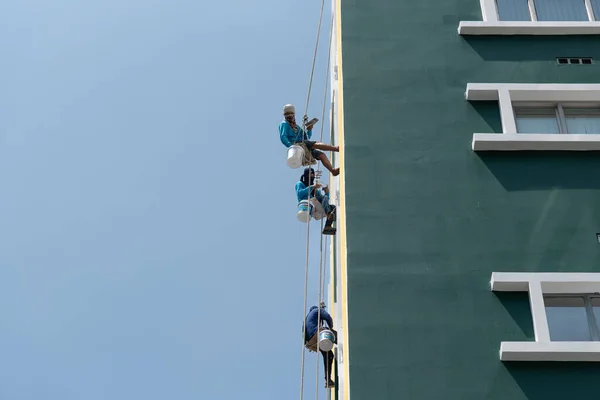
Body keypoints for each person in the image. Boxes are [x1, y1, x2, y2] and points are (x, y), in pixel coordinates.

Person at [279, 104, 340, 176]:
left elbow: (306, 137)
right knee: (315, 144)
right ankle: (336, 148)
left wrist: (310, 129)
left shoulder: (296, 127)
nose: (289, 115)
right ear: (284, 115)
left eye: (291, 113)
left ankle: (333, 171)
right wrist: (291, 146)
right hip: (298, 145)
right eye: (287, 114)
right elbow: (283, 137)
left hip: (304, 145)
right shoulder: (284, 124)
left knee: (321, 155)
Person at [304, 303, 337, 389]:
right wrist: (331, 327)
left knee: (329, 355)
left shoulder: (307, 318)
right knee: (336, 335)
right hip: (317, 334)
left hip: (311, 342)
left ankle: (328, 379)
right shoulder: (316, 311)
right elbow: (327, 317)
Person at [296, 168, 336, 235]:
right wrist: (312, 186)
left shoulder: (315, 191)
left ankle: (327, 226)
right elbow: (300, 193)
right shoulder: (300, 184)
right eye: (310, 174)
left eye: (313, 174)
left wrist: (327, 192)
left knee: (333, 208)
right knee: (326, 201)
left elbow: (323, 200)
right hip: (308, 205)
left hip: (316, 207)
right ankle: (329, 215)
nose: (312, 175)